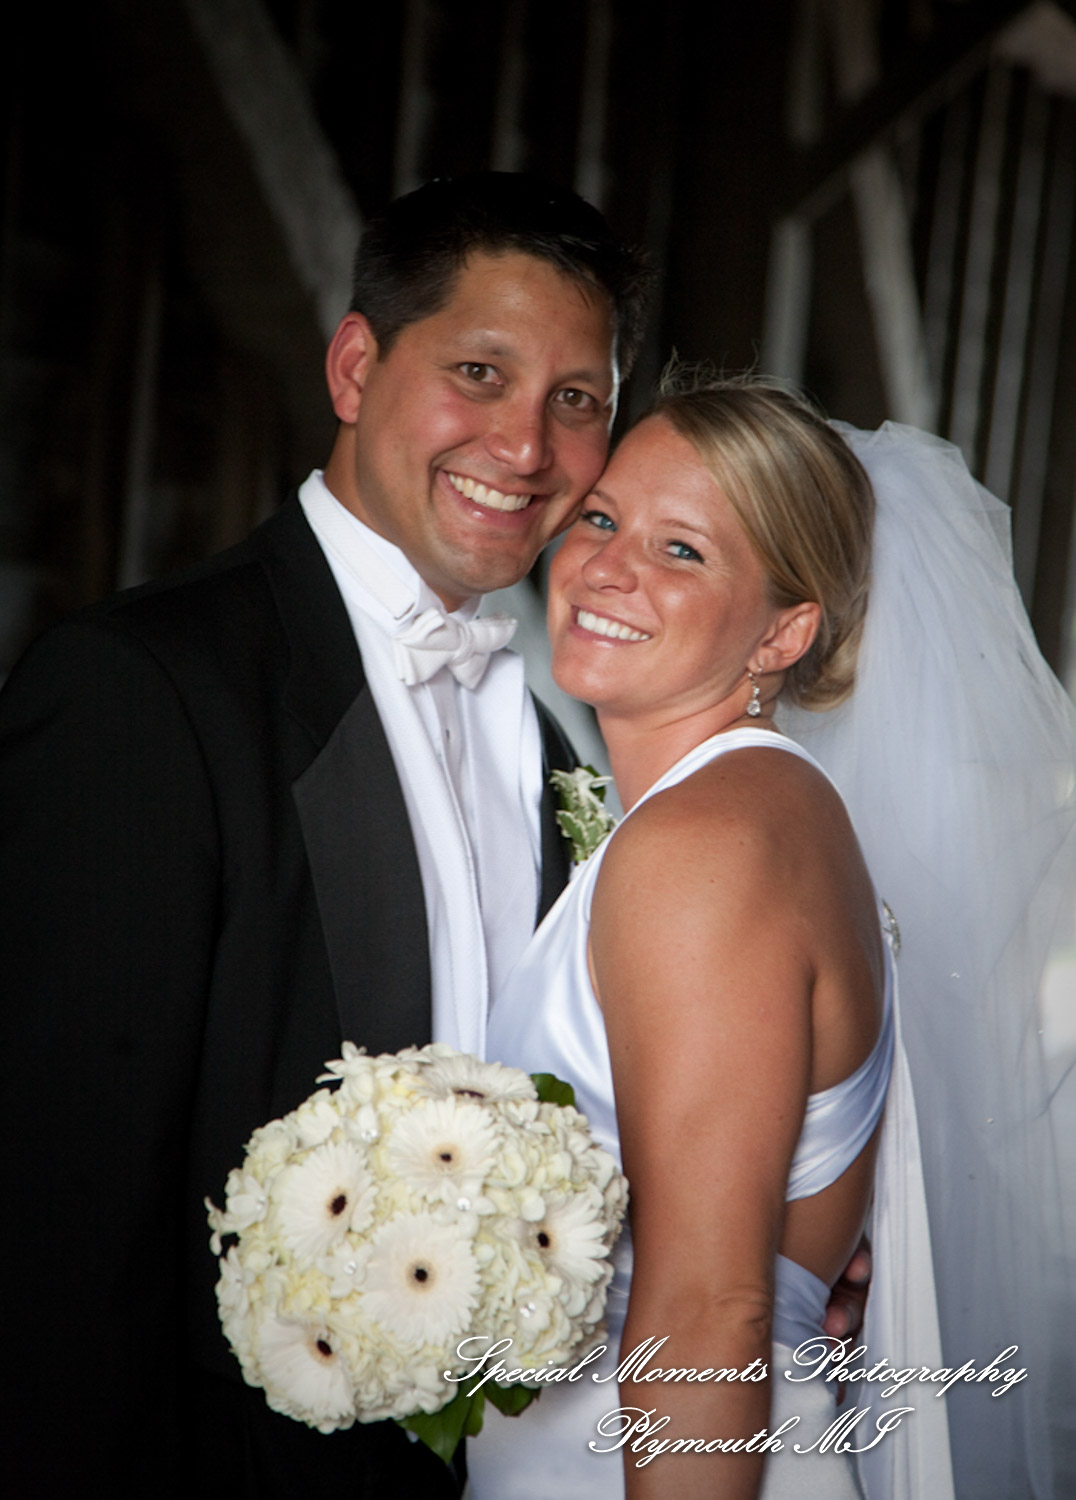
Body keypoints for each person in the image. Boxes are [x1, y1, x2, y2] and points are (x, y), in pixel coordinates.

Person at [0, 172, 649, 1499]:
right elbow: (53, 1229)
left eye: (575, 401)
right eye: (479, 371)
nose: (526, 447)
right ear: (357, 367)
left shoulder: (565, 740)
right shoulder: (141, 691)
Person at [468, 377, 1076, 1498]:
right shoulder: (753, 814)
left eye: (682, 550)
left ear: (785, 631)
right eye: (600, 519)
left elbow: (711, 1305)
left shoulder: (708, 847)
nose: (607, 566)